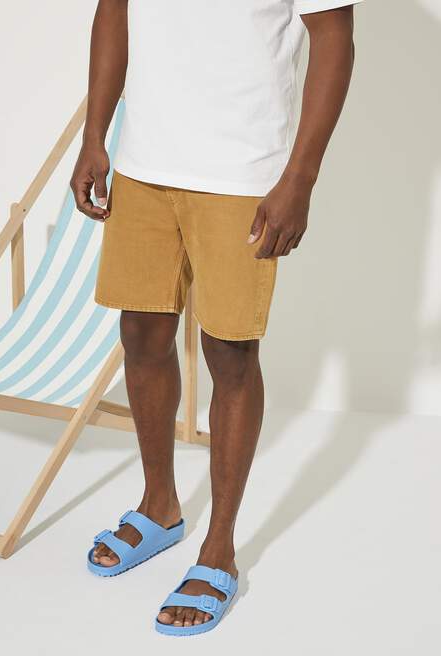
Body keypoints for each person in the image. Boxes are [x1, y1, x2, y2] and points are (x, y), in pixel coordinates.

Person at [71, 0, 362, 636]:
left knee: (229, 352)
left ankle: (219, 549)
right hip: (143, 166)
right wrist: (95, 135)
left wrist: (300, 178)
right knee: (141, 335)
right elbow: (113, 11)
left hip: (243, 175)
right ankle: (159, 507)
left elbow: (333, 40)